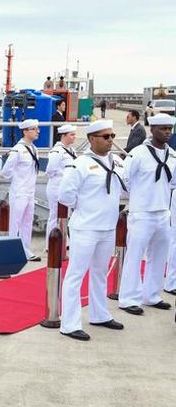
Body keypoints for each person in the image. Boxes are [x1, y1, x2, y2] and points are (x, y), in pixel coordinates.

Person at [57, 120, 126, 341]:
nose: (111, 141)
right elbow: (65, 195)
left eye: (112, 136)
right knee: (76, 275)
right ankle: (69, 323)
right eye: (106, 137)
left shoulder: (116, 161)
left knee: (99, 273)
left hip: (107, 227)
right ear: (92, 139)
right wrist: (86, 207)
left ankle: (99, 314)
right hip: (86, 227)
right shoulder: (81, 164)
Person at [119, 114, 176, 315]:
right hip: (142, 212)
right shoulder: (138, 153)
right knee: (134, 256)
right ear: (152, 130)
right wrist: (140, 196)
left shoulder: (172, 155)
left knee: (159, 256)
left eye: (170, 128)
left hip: (162, 212)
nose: (168, 132)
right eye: (163, 128)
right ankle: (128, 298)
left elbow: (172, 182)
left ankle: (151, 295)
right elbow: (125, 180)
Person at [1, 119, 41, 261]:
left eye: (37, 129)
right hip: (19, 191)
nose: (37, 131)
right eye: (34, 129)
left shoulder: (34, 149)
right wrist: (17, 181)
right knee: (15, 222)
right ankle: (11, 252)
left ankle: (26, 250)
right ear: (25, 131)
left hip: (30, 191)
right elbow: (6, 171)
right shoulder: (18, 149)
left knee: (27, 222)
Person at [44, 124, 78, 250]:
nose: (74, 137)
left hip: (67, 188)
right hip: (56, 186)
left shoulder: (71, 150)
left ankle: (64, 241)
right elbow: (50, 170)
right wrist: (63, 176)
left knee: (65, 216)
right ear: (64, 136)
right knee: (54, 215)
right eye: (72, 134)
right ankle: (50, 243)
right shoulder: (57, 151)